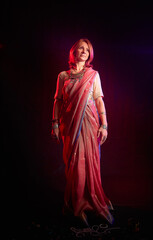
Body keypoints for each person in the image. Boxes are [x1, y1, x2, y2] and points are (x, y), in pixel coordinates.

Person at [51, 38, 114, 225]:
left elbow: (99, 99)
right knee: (75, 164)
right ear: (73, 53)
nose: (84, 51)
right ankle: (76, 204)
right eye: (80, 48)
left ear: (90, 54)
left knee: (91, 163)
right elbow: (58, 101)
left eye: (87, 49)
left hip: (90, 122)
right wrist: (54, 124)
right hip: (70, 125)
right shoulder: (63, 76)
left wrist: (104, 125)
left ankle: (94, 201)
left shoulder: (93, 75)